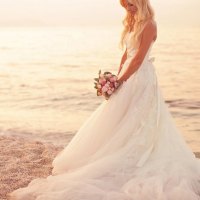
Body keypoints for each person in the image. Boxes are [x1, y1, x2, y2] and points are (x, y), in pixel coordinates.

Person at [8, 0, 200, 199]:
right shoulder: (132, 21)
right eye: (125, 5)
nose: (128, 8)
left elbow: (138, 58)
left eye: (131, 4)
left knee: (142, 120)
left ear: (141, 2)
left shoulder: (150, 24)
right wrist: (116, 78)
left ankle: (141, 155)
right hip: (128, 76)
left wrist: (120, 80)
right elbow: (126, 55)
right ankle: (115, 153)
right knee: (120, 117)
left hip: (142, 79)